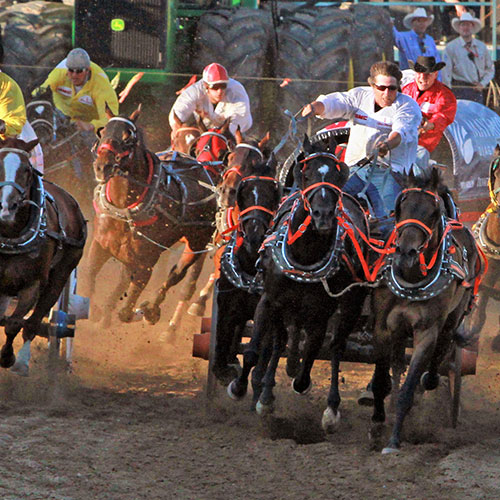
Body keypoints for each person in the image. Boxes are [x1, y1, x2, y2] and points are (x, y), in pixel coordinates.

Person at [302, 61, 422, 233]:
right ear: (371, 85)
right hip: (355, 169)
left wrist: (387, 145)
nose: (387, 93)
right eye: (381, 88)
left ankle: (386, 252)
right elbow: (335, 103)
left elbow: (400, 133)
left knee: (386, 223)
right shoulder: (359, 96)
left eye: (392, 88)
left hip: (389, 172)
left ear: (398, 87)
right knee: (327, 202)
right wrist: (315, 107)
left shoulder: (408, 107)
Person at [34, 48, 119, 134]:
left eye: (79, 71)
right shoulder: (58, 74)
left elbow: (112, 119)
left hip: (88, 121)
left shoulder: (101, 85)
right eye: (71, 70)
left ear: (87, 70)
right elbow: (38, 91)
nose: (74, 75)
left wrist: (91, 125)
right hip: (63, 114)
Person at [169, 62, 252, 138]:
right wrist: (178, 128)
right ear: (205, 86)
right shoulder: (194, 91)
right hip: (203, 132)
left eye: (223, 86)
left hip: (234, 133)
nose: (220, 91)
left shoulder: (236, 92)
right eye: (215, 87)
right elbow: (177, 114)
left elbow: (239, 121)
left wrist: (216, 137)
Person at [402, 56, 457, 169]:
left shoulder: (444, 94)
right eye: (419, 73)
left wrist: (432, 124)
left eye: (427, 74)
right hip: (404, 140)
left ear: (435, 74)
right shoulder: (406, 90)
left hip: (430, 144)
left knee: (419, 160)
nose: (422, 77)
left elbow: (444, 115)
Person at [442, 12, 494, 104]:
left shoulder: (481, 46)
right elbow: (446, 72)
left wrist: (482, 84)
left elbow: (490, 69)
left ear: (473, 27)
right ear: (459, 27)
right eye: (463, 25)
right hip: (459, 89)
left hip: (477, 90)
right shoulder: (451, 47)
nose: (466, 28)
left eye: (468, 25)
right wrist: (447, 92)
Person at [393, 8, 442, 72]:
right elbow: (393, 34)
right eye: (419, 20)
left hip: (428, 78)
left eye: (424, 20)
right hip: (410, 78)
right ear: (412, 22)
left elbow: (437, 61)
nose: (422, 23)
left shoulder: (430, 40)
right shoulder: (403, 37)